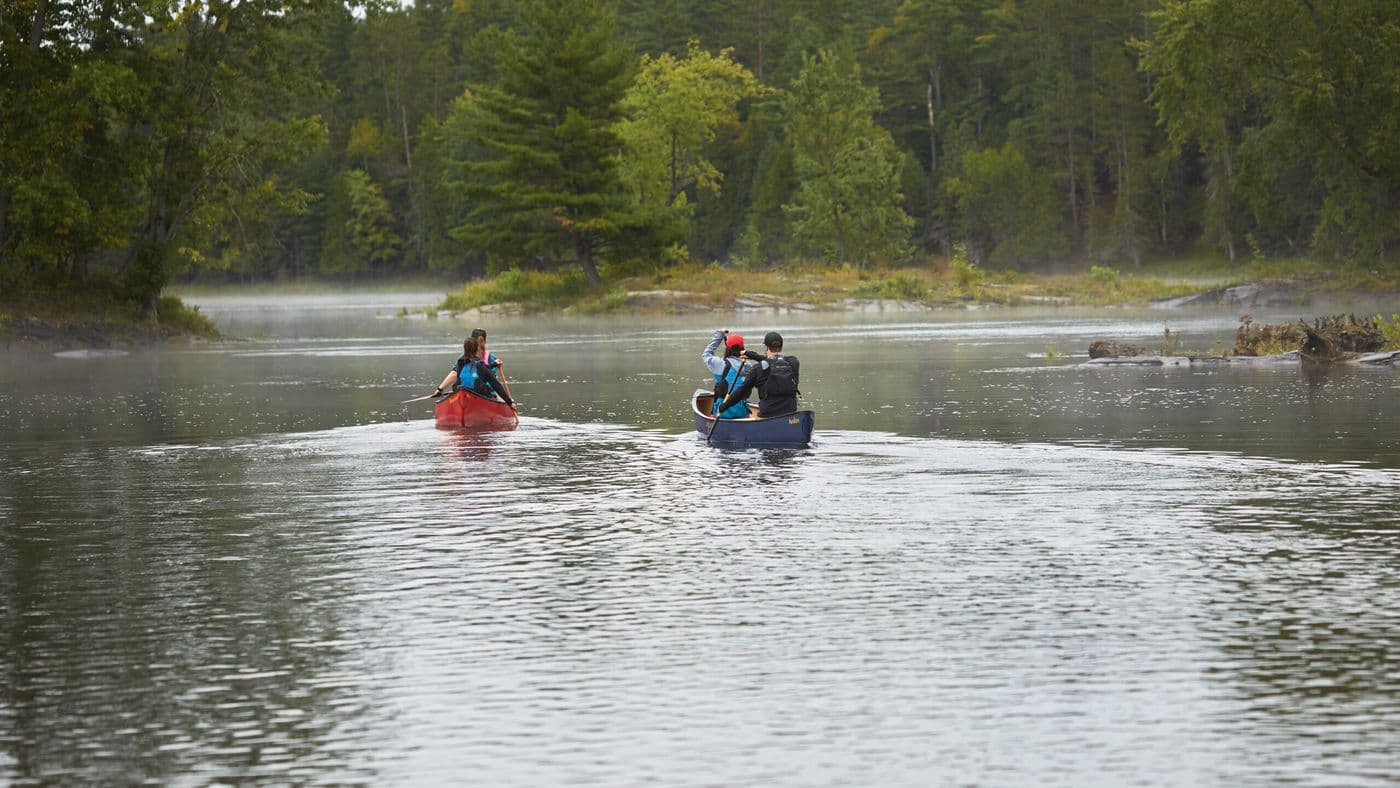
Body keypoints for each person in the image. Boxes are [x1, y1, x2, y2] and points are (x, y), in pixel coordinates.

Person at [717, 330, 800, 418]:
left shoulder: (757, 369)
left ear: (766, 348)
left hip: (767, 414)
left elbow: (740, 392)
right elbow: (774, 360)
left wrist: (723, 407)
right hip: (790, 412)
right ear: (781, 346)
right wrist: (751, 355)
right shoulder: (793, 362)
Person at [435, 336, 515, 407]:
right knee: (490, 391)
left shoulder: (460, 363)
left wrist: (440, 389)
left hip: (461, 391)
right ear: (477, 349)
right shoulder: (480, 365)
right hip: (478, 394)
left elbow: (460, 374)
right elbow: (495, 384)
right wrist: (509, 402)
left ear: (464, 349)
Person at [702, 328, 753, 419]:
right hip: (743, 412)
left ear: (728, 349)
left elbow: (706, 354)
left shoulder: (720, 364)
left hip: (723, 413)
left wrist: (719, 335)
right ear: (742, 349)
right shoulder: (747, 366)